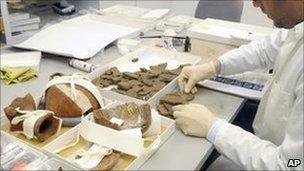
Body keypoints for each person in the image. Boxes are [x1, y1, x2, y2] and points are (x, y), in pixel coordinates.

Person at [174, 0, 303, 170]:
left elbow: (291, 165)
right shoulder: (296, 26)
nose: (255, 4)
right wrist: (213, 66)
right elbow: (264, 50)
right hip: (268, 143)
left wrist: (214, 129)